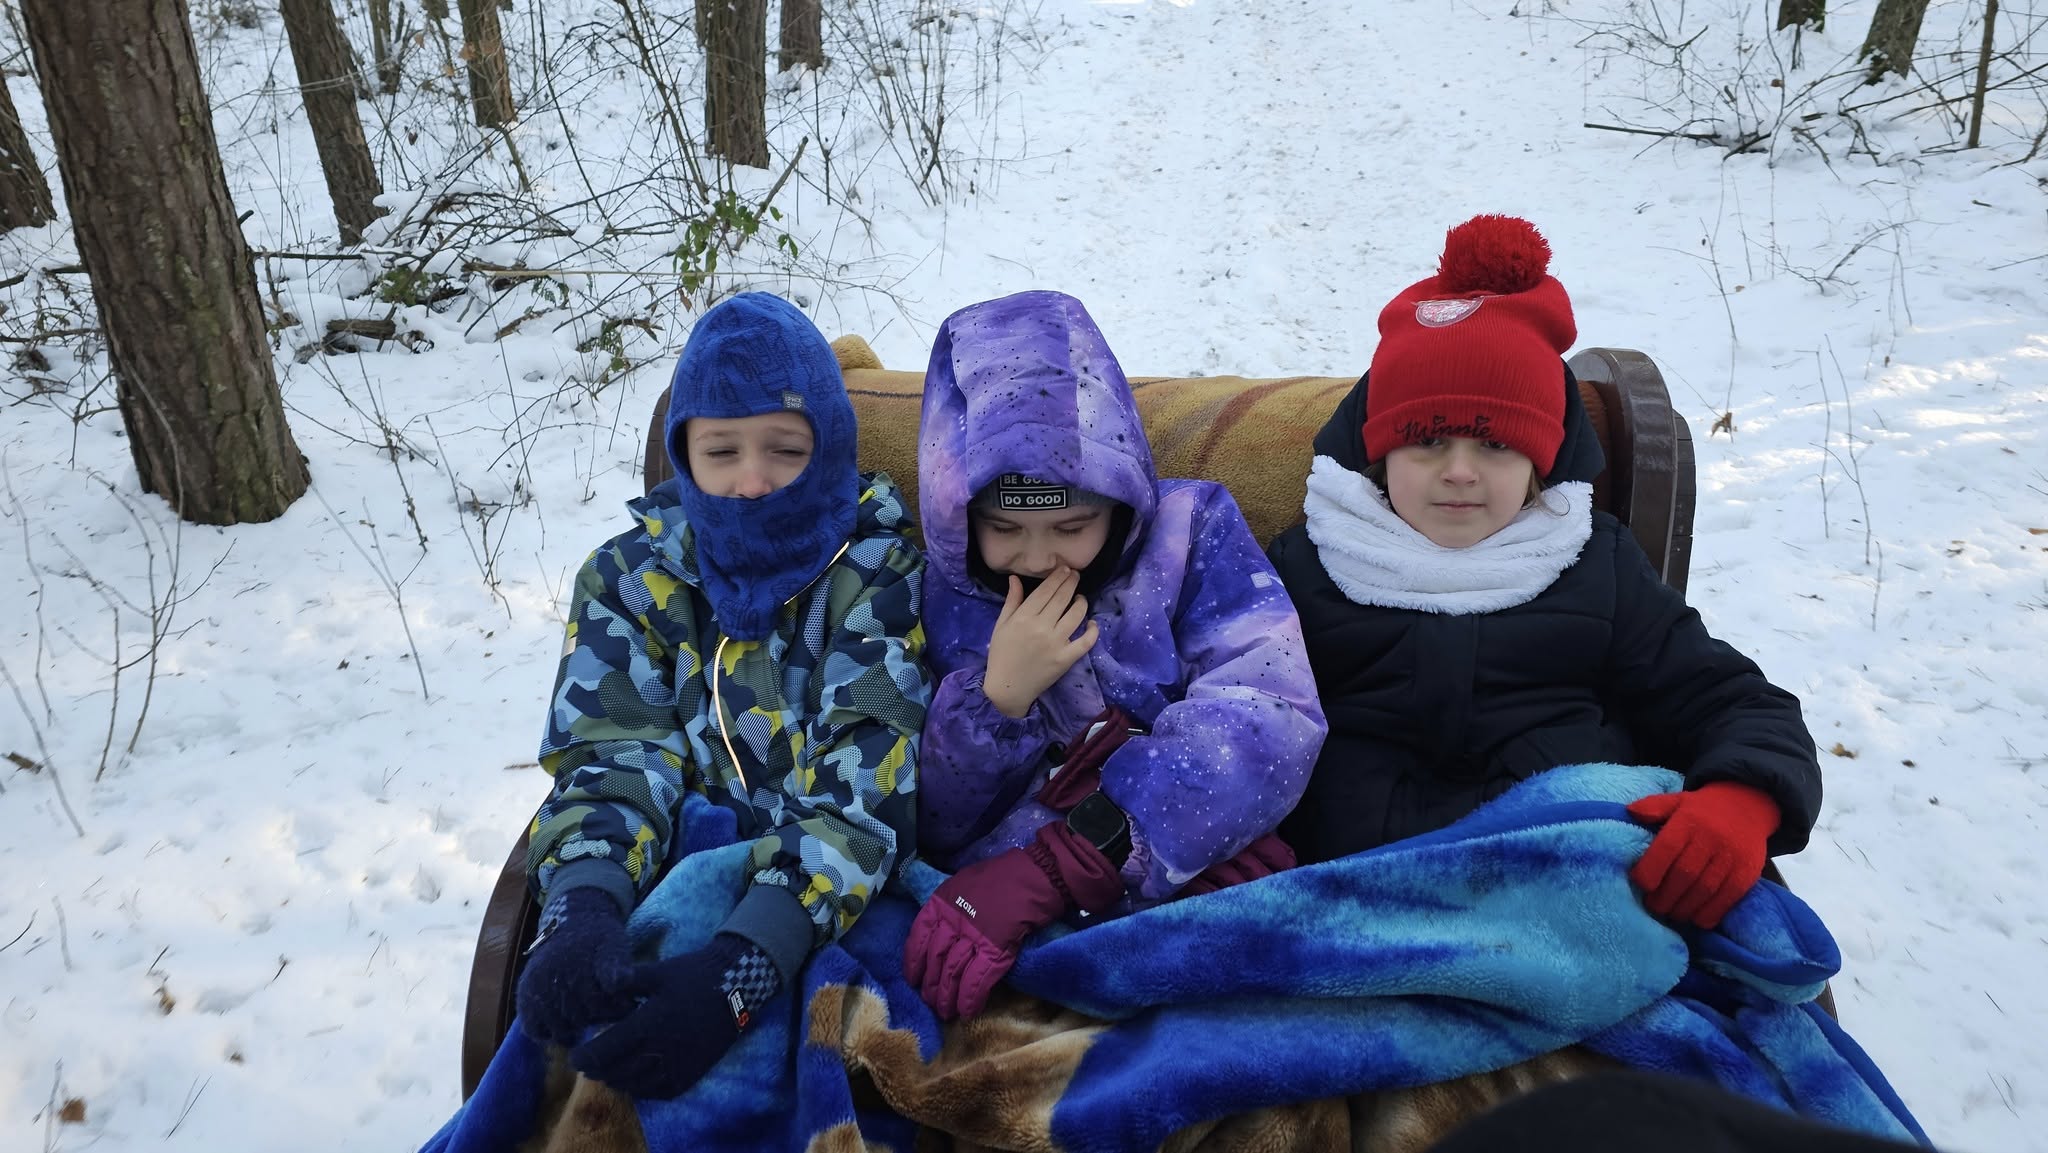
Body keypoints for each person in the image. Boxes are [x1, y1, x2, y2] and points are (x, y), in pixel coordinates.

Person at [1265, 215, 1822, 930]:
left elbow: (1726, 697)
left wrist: (1743, 797)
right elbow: (1232, 705)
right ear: (1379, 453)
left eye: (1495, 444)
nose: (1459, 471)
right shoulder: (1310, 565)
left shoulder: (1592, 563)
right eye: (1428, 440)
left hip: (1563, 888)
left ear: (1540, 459)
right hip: (1346, 898)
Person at [513, 293, 931, 1099]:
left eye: (785, 449)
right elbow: (613, 754)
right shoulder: (627, 581)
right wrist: (582, 905)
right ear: (686, 456)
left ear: (829, 448)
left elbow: (865, 782)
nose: (751, 481)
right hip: (673, 869)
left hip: (831, 894)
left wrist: (743, 966)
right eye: (721, 451)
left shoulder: (876, 575)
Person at [902, 290, 1326, 1020]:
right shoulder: (945, 595)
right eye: (1005, 528)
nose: (1039, 558)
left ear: (1119, 498)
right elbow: (935, 820)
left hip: (1186, 866)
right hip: (1014, 921)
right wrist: (997, 700)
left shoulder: (1191, 535)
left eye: (1071, 526)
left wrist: (1075, 856)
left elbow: (1271, 712)